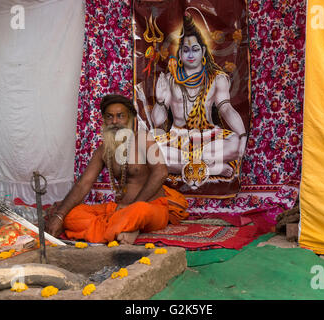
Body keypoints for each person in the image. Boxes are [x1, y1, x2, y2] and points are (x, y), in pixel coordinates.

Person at [45, 94, 188, 244]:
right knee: (72, 215)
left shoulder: (143, 139)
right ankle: (123, 228)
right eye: (109, 117)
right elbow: (83, 185)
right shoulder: (103, 151)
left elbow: (161, 173)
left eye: (120, 116)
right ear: (104, 121)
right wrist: (60, 215)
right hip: (119, 209)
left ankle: (116, 227)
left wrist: (131, 207)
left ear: (131, 119)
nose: (114, 121)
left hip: (150, 208)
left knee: (139, 211)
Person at [151, 13, 247, 178]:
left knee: (234, 143)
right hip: (178, 139)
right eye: (186, 50)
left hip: (208, 137)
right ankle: (212, 168)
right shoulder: (169, 79)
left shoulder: (216, 78)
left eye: (195, 50)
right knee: (151, 153)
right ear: (180, 54)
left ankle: (190, 165)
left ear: (203, 51)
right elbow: (158, 121)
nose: (190, 55)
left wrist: (243, 136)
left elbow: (226, 109)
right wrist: (160, 101)